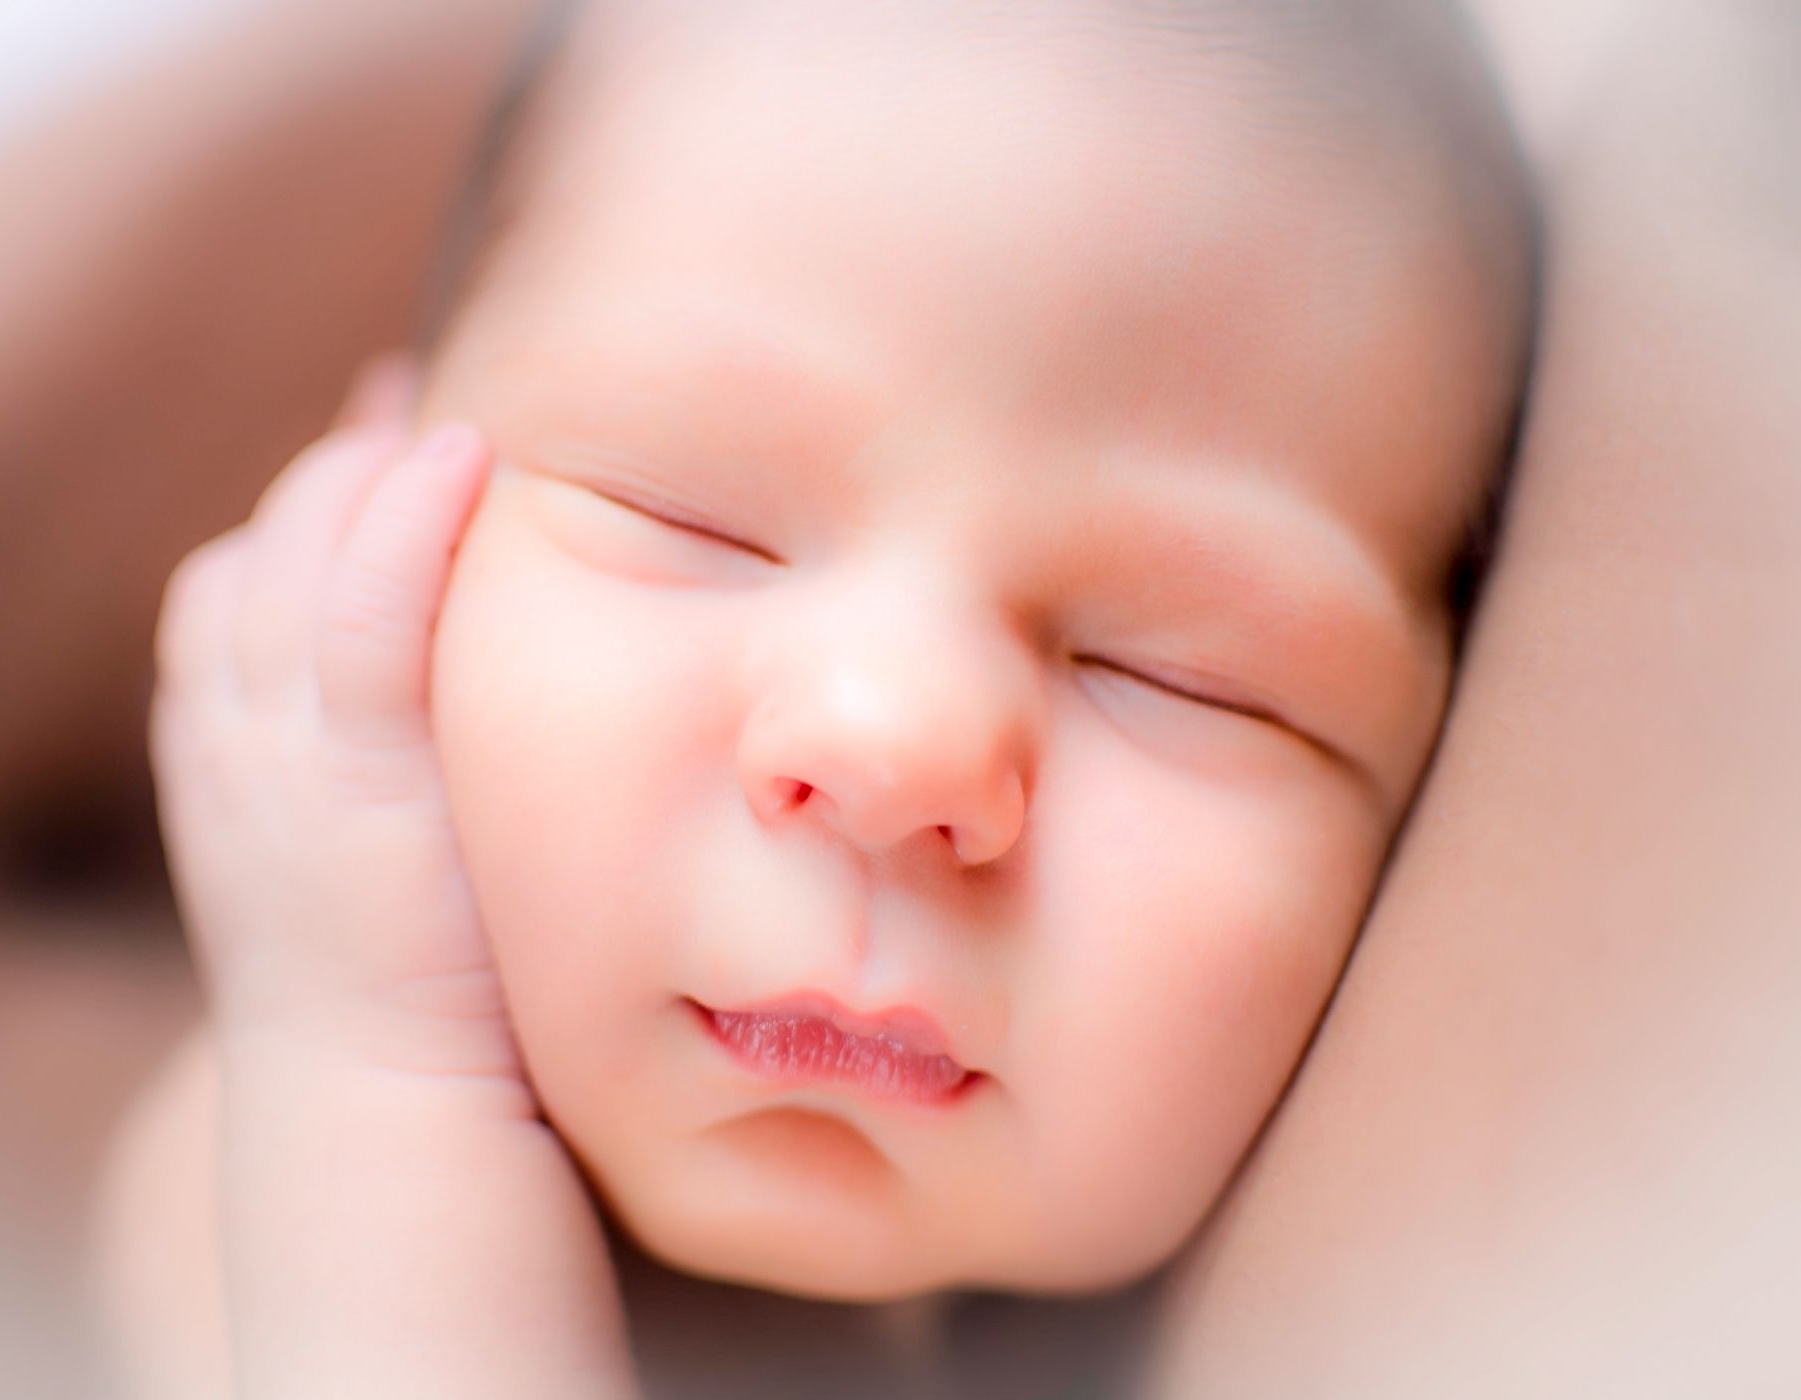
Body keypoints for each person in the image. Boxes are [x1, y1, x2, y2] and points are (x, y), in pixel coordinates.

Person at [115, 1, 1533, 1393]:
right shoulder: (275, 1180)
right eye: (693, 521)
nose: (892, 747)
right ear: (362, 521)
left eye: (1178, 676)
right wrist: (377, 1058)